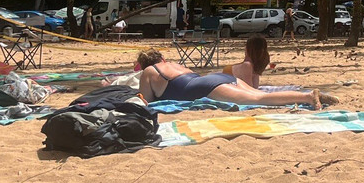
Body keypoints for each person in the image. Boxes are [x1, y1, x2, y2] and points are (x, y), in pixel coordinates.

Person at [136, 49, 334, 108]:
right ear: (162, 58)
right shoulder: (175, 65)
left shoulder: (149, 71)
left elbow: (147, 100)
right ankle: (312, 95)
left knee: (258, 100)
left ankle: (308, 97)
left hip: (202, 88)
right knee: (259, 94)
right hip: (215, 78)